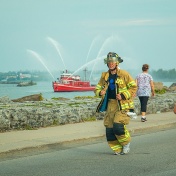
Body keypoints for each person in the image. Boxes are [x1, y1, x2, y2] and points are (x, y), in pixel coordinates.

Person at [94, 52, 137, 155]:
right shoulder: (104, 76)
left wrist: (123, 95)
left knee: (118, 126)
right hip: (110, 105)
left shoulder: (124, 74)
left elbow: (133, 87)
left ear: (117, 63)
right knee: (109, 129)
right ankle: (117, 149)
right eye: (109, 62)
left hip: (122, 105)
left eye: (112, 62)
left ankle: (126, 143)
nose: (111, 64)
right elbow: (97, 88)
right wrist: (100, 92)